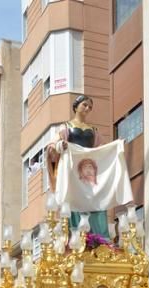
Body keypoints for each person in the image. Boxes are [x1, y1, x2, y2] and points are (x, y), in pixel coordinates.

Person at [48, 94, 108, 238]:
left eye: (90, 107)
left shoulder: (93, 130)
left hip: (88, 171)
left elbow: (103, 149)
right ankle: (75, 235)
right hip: (72, 171)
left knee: (94, 199)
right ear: (76, 107)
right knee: (73, 200)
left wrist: (116, 147)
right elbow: (51, 146)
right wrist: (59, 145)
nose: (87, 108)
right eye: (85, 105)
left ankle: (97, 236)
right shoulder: (66, 127)